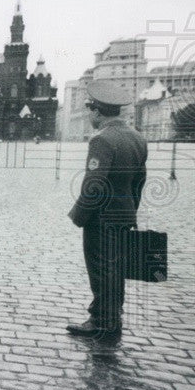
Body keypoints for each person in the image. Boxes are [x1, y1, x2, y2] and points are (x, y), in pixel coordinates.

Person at [67, 80, 147, 338]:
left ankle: (101, 320)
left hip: (101, 217)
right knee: (116, 267)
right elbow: (139, 181)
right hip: (123, 213)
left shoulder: (102, 139)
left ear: (97, 112)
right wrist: (131, 209)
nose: (90, 116)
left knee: (101, 267)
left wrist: (79, 215)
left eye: (90, 111)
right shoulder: (137, 138)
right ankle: (112, 316)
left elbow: (94, 183)